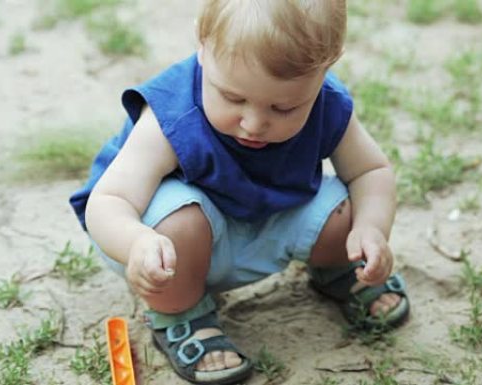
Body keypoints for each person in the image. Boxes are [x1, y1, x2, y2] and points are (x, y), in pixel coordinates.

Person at [70, 0, 410, 383]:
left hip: (263, 219)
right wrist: (135, 243)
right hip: (171, 246)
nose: (254, 123)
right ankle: (180, 313)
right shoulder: (172, 114)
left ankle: (339, 269)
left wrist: (371, 228)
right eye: (233, 98)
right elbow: (109, 200)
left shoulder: (326, 104)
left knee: (347, 214)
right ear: (202, 42)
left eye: (284, 108)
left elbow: (371, 171)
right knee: (180, 224)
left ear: (326, 66)